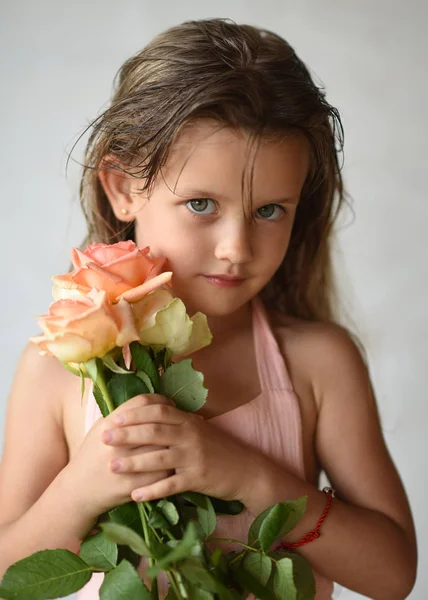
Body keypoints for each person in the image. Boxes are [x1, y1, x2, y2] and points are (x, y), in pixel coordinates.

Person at [0, 18, 417, 600]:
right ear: (122, 187)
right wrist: (82, 488)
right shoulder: (56, 369)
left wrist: (250, 476)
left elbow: (393, 573)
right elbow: (6, 573)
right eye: (201, 203)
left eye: (270, 211)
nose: (237, 249)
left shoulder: (319, 363)